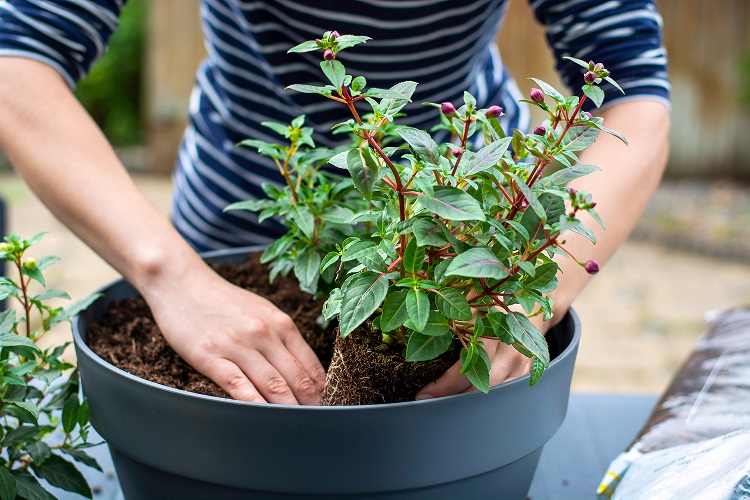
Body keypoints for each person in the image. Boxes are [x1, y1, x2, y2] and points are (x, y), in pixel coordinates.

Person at [0, 0, 670, 404]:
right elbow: (18, 56)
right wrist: (172, 275)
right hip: (248, 213)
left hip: (455, 230)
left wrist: (537, 284)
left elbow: (635, 94)